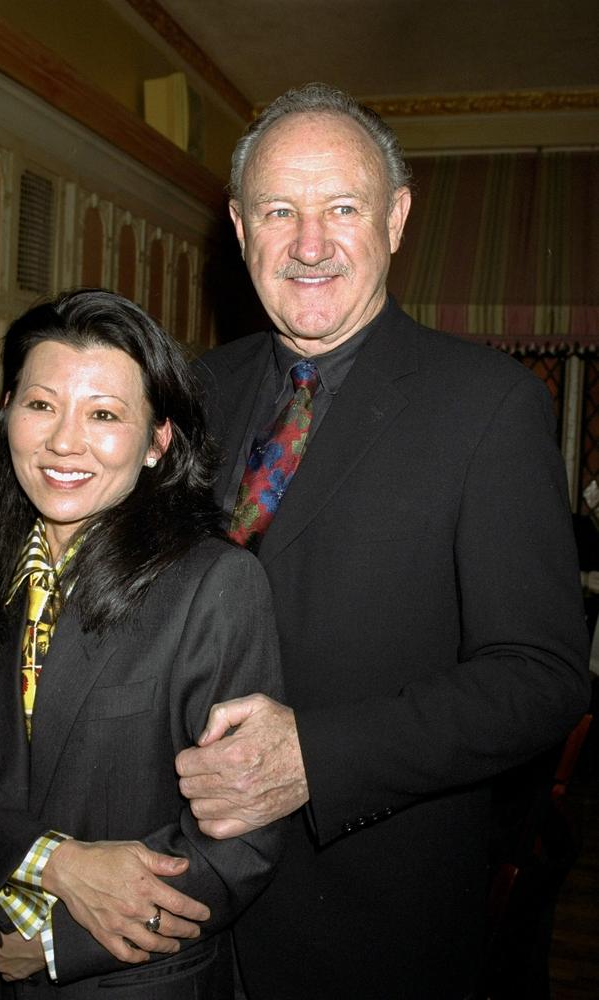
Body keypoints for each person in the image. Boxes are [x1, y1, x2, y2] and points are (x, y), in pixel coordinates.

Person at [174, 83, 591, 999]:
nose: (310, 243)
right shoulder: (193, 389)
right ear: (242, 229)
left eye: (343, 208)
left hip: (366, 925)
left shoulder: (490, 405)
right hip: (177, 910)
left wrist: (315, 759)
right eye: (280, 209)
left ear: (396, 219)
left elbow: (542, 675)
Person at [0, 289, 283, 998]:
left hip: (128, 978)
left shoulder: (214, 586)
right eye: (41, 405)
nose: (64, 442)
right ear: (8, 411)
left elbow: (239, 843)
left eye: (104, 415)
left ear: (159, 440)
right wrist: (49, 863)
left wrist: (52, 941)